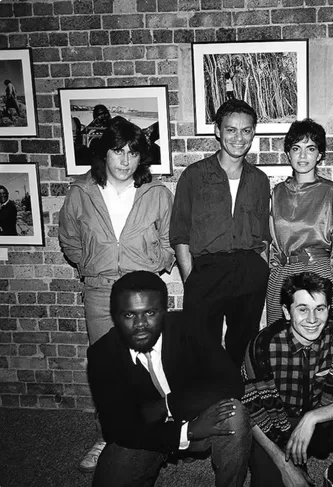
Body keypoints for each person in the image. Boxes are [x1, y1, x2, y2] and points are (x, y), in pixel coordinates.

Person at [59, 115, 175, 472]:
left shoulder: (156, 194)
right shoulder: (81, 193)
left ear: (142, 157)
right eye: (117, 151)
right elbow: (70, 243)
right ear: (104, 154)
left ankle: (157, 433)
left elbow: (172, 241)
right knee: (108, 368)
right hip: (100, 292)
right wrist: (95, 265)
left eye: (133, 152)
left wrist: (154, 259)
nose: (125, 160)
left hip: (142, 294)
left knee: (149, 364)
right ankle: (107, 436)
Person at [88, 271, 251, 487]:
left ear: (164, 312)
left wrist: (167, 405)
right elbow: (118, 427)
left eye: (150, 313)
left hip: (194, 413)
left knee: (234, 414)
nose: (140, 324)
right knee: (111, 480)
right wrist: (187, 432)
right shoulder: (102, 354)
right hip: (149, 434)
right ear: (115, 315)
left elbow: (231, 382)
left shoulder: (189, 326)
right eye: (129, 315)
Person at [242, 272, 333, 487]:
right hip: (277, 426)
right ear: (287, 312)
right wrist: (285, 466)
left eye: (320, 309)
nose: (313, 320)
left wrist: (312, 418)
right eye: (303, 309)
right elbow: (250, 412)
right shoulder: (262, 347)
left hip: (322, 422)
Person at [170, 99, 270, 367]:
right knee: (202, 349)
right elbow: (180, 233)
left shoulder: (259, 180)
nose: (239, 137)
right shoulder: (194, 176)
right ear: (217, 131)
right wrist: (191, 278)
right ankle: (210, 407)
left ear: (253, 133)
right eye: (231, 130)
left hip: (248, 271)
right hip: (207, 272)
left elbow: (263, 235)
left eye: (246, 130)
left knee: (244, 346)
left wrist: (262, 269)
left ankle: (242, 403)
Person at [267, 118, 333, 326]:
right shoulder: (277, 193)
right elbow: (273, 244)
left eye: (310, 148)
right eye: (296, 148)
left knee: (320, 346)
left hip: (319, 273)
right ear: (288, 154)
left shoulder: (331, 192)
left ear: (319, 154)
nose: (303, 156)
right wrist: (276, 276)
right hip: (282, 277)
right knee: (282, 348)